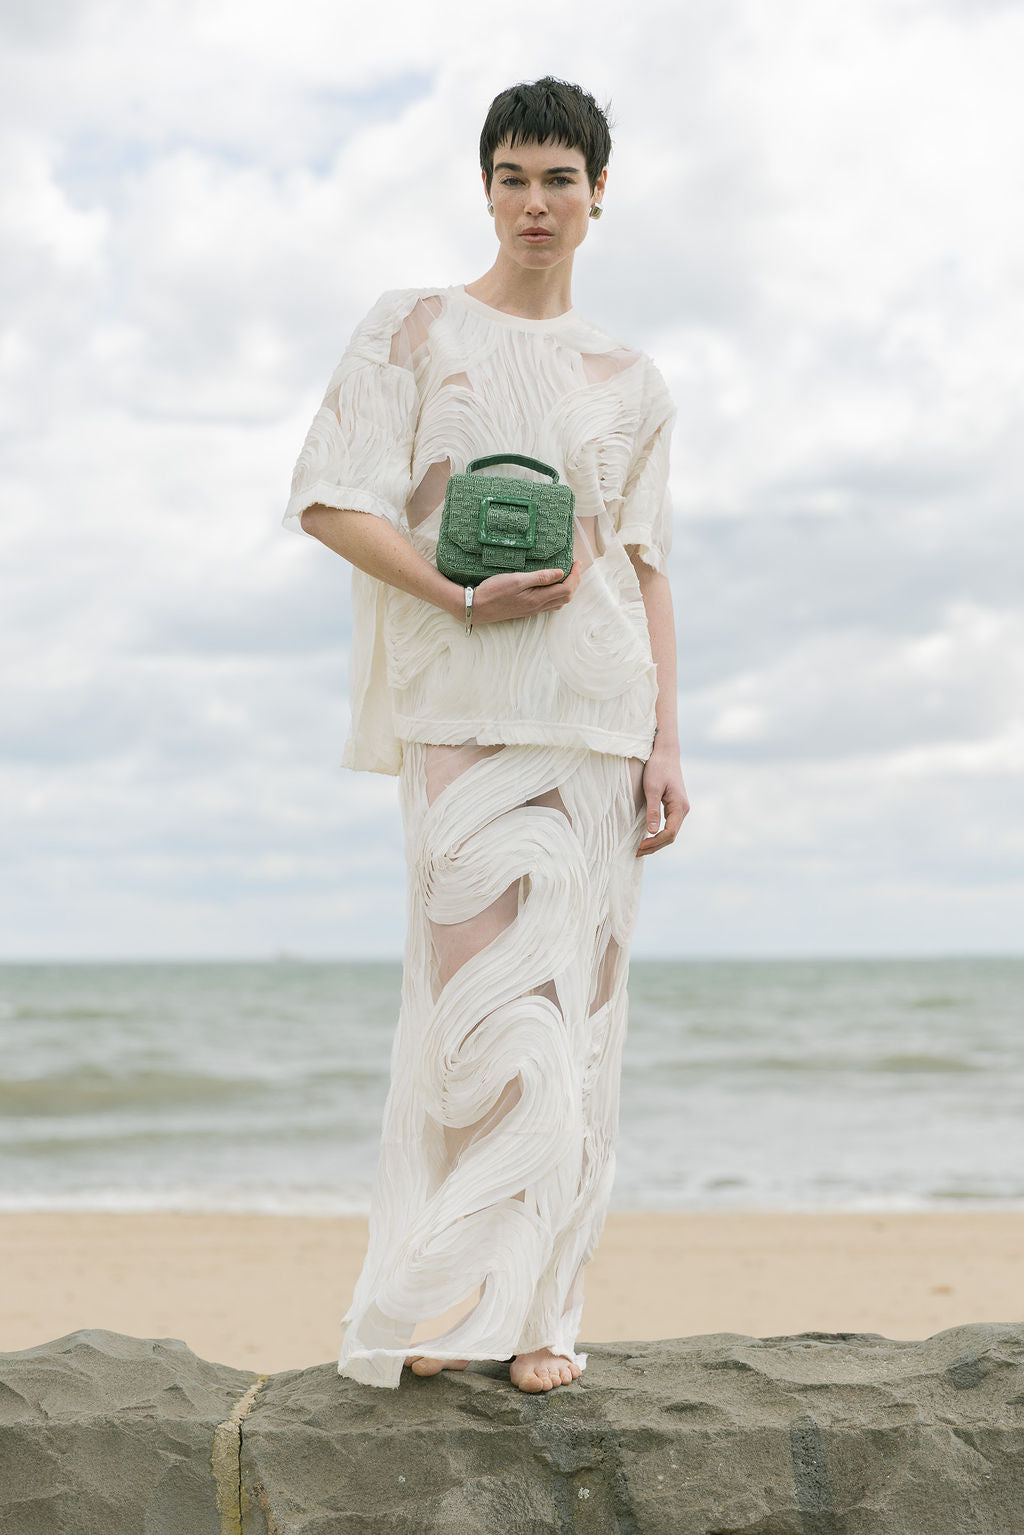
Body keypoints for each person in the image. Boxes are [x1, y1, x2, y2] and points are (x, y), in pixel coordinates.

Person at [283, 76, 689, 1393]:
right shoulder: (411, 328)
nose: (535, 202)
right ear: (485, 187)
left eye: (560, 179)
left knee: (576, 1026)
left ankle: (540, 1320)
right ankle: (433, 1307)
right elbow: (332, 502)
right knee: (471, 1020)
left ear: (599, 193)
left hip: (600, 720)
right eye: (513, 176)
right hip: (463, 704)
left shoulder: (634, 378)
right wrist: (460, 594)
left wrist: (669, 742)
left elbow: (646, 562)